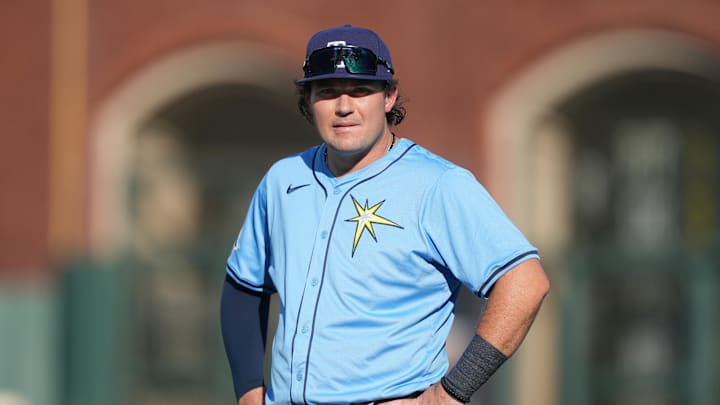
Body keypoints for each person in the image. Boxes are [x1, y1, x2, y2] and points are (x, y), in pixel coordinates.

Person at [220, 24, 550, 405]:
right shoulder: (283, 179)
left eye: (360, 91)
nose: (344, 106)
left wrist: (451, 393)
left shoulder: (438, 183)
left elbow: (525, 284)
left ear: (389, 96)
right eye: (327, 93)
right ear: (307, 100)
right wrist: (248, 390)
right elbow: (243, 287)